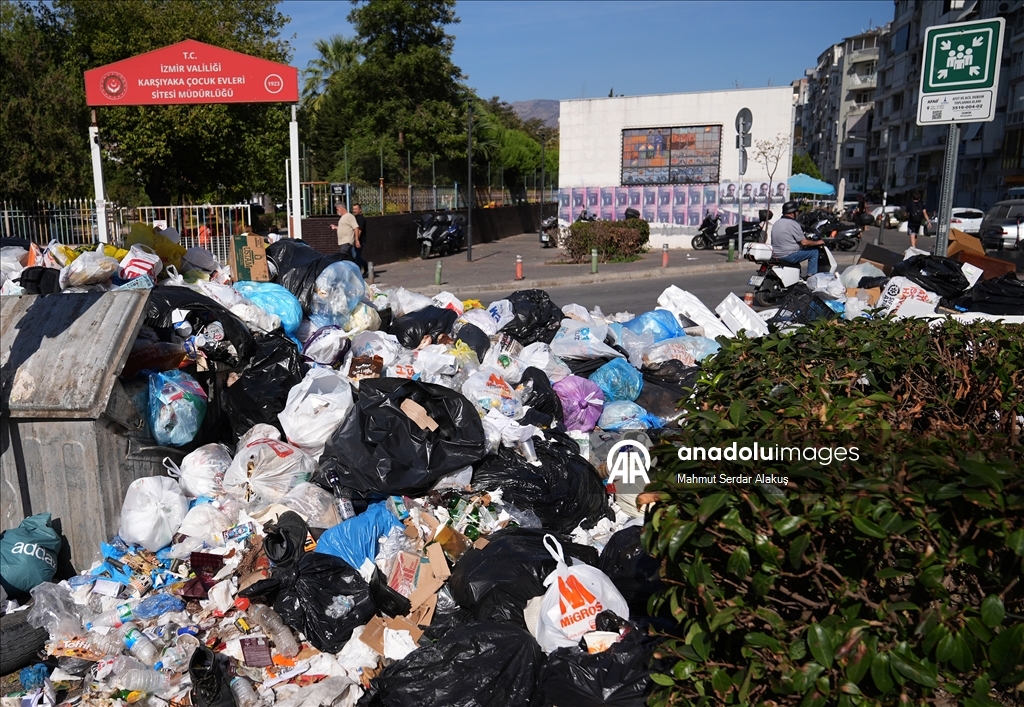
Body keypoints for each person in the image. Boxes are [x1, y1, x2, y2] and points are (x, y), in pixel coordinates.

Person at [771, 200, 822, 276]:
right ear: (792, 213)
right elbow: (804, 243)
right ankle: (811, 276)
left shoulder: (777, 222)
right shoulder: (793, 223)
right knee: (814, 252)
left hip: (776, 255)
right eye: (797, 211)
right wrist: (819, 242)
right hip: (789, 255)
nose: (798, 213)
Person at [351, 203, 368, 276]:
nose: (354, 211)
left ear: (360, 210)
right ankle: (365, 266)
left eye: (356, 209)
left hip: (360, 241)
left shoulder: (361, 219)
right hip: (356, 240)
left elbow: (359, 230)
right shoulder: (355, 218)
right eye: (353, 209)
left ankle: (358, 272)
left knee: (356, 256)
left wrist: (357, 240)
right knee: (356, 255)